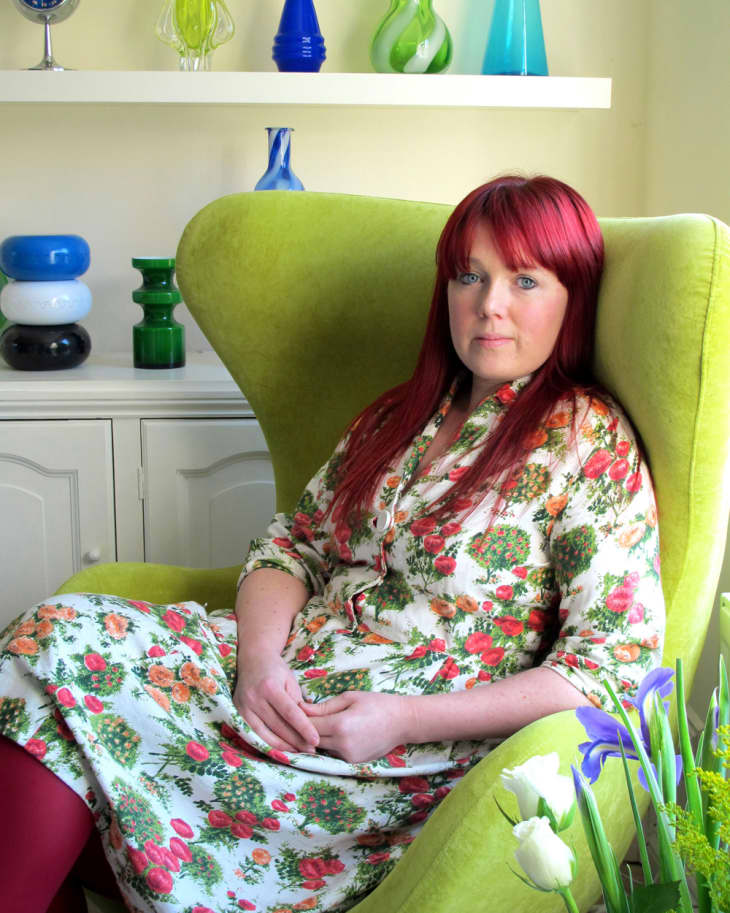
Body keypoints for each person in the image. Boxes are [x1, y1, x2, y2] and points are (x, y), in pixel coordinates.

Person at [0, 175, 665, 913]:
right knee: (46, 648)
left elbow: (608, 670)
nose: (489, 304)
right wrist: (258, 663)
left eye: (525, 279)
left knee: (56, 717)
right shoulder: (397, 416)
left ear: (573, 296)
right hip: (260, 681)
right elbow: (293, 547)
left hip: (370, 758)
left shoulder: (587, 441)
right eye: (469, 275)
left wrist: (400, 719)